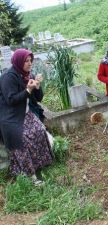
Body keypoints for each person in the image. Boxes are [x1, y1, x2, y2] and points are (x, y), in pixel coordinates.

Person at [0, 49, 54, 185]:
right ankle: (31, 176)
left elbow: (39, 98)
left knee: (40, 131)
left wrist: (37, 86)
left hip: (25, 113)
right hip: (10, 117)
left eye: (31, 60)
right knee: (21, 140)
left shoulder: (28, 75)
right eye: (26, 61)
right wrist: (28, 90)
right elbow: (11, 100)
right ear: (19, 61)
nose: (29, 64)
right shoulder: (8, 77)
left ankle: (40, 163)